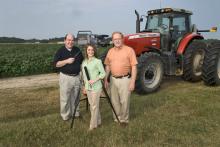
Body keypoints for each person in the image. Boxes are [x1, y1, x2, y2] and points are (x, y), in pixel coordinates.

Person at [104, 31, 137, 126]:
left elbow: (134, 66)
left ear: (122, 39)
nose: (117, 41)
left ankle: (124, 119)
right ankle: (117, 118)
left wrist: (132, 81)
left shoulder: (129, 50)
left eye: (119, 39)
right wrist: (106, 79)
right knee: (114, 101)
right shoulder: (110, 51)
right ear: (112, 40)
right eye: (115, 39)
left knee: (124, 101)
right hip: (113, 80)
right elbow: (107, 66)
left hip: (125, 79)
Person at [53, 33, 84, 121]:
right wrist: (66, 61)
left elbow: (82, 62)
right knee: (65, 98)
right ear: (65, 41)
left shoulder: (77, 50)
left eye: (72, 40)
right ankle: (65, 116)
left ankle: (76, 113)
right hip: (65, 78)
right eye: (68, 40)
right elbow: (56, 64)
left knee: (76, 96)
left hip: (77, 77)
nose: (70, 42)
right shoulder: (60, 51)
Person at [82, 44, 106, 131]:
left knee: (94, 106)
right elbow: (84, 76)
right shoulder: (84, 62)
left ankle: (92, 126)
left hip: (96, 87)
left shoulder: (97, 61)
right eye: (89, 50)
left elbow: (103, 74)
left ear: (94, 51)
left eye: (92, 50)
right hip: (88, 87)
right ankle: (98, 121)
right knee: (92, 105)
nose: (90, 51)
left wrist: (95, 80)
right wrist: (84, 86)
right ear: (86, 51)